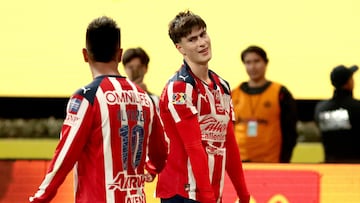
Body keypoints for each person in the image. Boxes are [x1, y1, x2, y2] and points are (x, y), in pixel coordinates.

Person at [29, 16, 168, 203]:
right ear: (119, 55)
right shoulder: (146, 99)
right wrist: (151, 169)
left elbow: (65, 157)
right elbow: (161, 154)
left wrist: (39, 198)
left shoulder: (87, 97)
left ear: (85, 55)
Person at [155, 10, 250, 203]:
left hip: (211, 192)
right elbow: (193, 146)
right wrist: (207, 196)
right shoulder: (179, 88)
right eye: (192, 39)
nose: (202, 43)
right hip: (181, 193)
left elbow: (229, 144)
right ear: (180, 48)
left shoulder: (222, 86)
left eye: (203, 34)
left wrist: (243, 192)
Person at [232, 45, 298, 163]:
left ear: (266, 63)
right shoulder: (234, 94)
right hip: (240, 161)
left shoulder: (280, 93)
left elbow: (290, 131)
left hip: (270, 161)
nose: (252, 67)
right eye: (248, 62)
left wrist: (284, 159)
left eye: (257, 61)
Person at [314, 65, 360, 163]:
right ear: (349, 82)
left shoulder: (321, 109)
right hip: (355, 166)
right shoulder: (356, 107)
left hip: (331, 165)